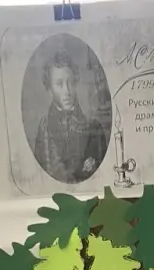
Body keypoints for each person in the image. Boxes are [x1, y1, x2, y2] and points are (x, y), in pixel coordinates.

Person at [33, 50, 107, 184]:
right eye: (59, 84)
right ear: (50, 90)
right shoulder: (44, 129)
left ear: (76, 84)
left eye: (71, 82)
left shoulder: (94, 128)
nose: (67, 91)